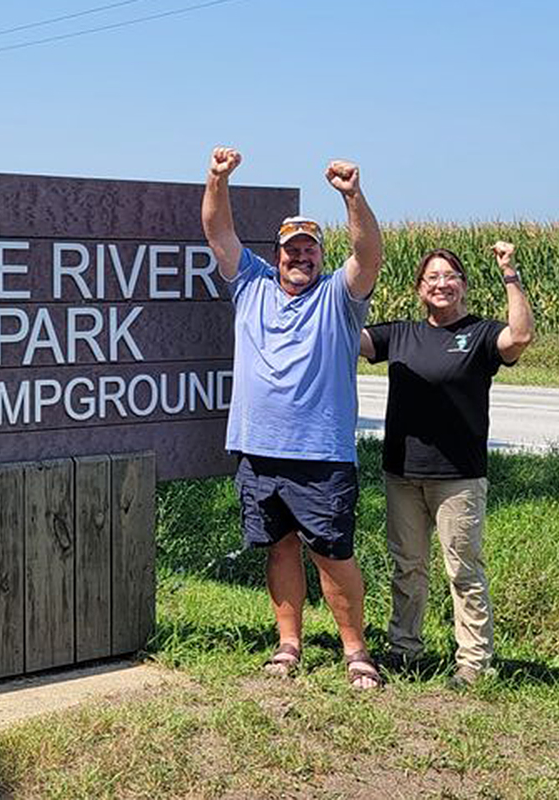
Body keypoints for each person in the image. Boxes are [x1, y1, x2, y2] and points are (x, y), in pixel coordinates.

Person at [201, 146, 385, 688]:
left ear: (320, 257)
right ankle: (289, 643)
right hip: (258, 450)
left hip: (321, 453)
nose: (299, 258)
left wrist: (352, 196)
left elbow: (368, 253)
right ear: (276, 254)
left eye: (308, 251)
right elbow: (218, 232)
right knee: (279, 549)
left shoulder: (340, 297)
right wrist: (217, 179)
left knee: (332, 553)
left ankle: (356, 651)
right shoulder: (251, 283)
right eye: (291, 250)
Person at [360, 243, 535, 689]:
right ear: (420, 289)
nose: (441, 284)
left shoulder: (480, 334)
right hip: (402, 471)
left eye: (449, 276)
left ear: (463, 286)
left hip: (458, 475)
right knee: (408, 566)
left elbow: (520, 338)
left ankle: (474, 663)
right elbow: (350, 337)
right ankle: (404, 650)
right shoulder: (400, 334)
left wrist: (510, 274)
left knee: (463, 570)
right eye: (432, 278)